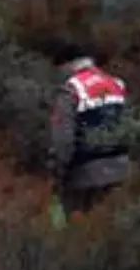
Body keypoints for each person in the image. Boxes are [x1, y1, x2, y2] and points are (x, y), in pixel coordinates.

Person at [47, 42, 130, 220]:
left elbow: (63, 140)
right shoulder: (116, 84)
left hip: (85, 175)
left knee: (82, 230)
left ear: (66, 66)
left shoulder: (70, 91)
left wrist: (58, 173)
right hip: (122, 169)